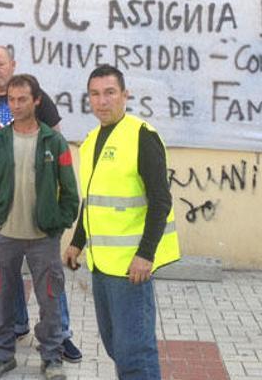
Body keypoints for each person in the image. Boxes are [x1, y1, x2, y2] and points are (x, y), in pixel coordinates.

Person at [0, 45, 81, 362]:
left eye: (0, 64)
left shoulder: (41, 103)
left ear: (13, 65)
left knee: (49, 286)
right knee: (4, 282)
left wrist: (59, 220)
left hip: (41, 221)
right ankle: (15, 328)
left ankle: (61, 337)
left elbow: (58, 155)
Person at [63, 65, 180, 380]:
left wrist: (146, 254)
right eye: (95, 94)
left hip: (131, 268)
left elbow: (161, 201)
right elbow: (92, 200)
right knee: (116, 345)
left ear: (125, 95)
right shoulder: (91, 141)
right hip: (101, 265)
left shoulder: (142, 136)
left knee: (135, 354)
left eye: (110, 92)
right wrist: (77, 242)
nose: (102, 101)